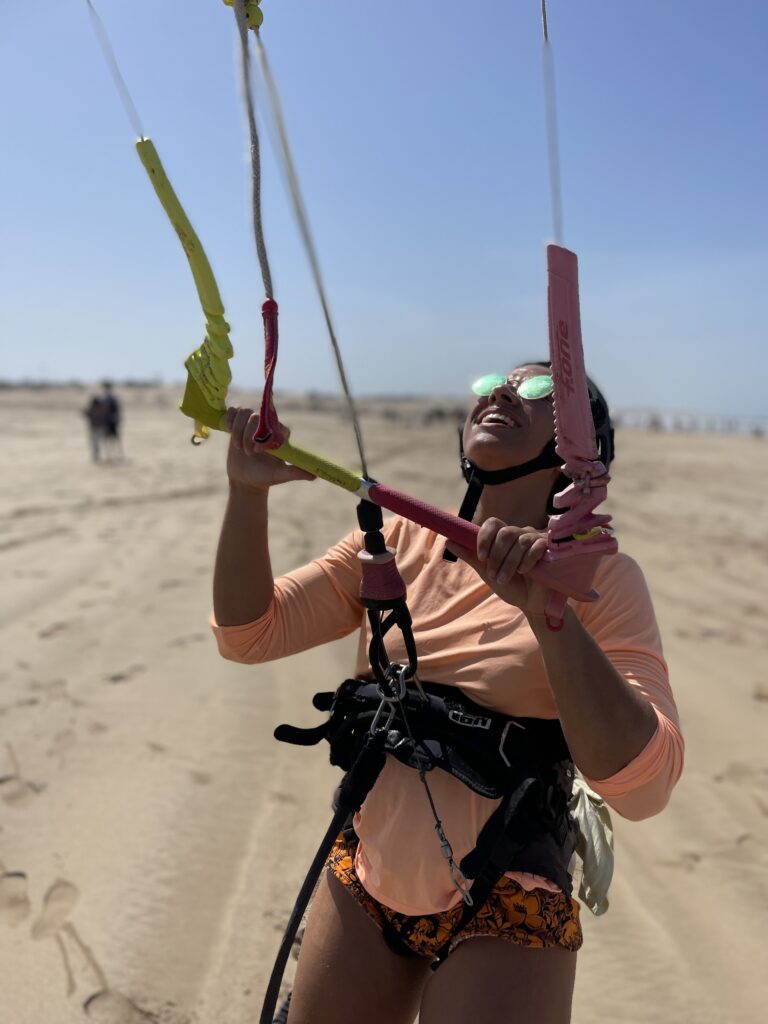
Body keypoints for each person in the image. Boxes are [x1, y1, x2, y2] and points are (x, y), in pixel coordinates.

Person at [211, 363, 684, 1024]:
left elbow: (644, 785)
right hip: (370, 872)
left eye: (538, 390)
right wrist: (245, 493)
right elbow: (247, 632)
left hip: (507, 897)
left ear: (581, 446)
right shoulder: (396, 539)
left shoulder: (602, 580)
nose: (499, 394)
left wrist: (553, 619)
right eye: (492, 382)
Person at [82, 393, 107, 462]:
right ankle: (97, 454)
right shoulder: (101, 409)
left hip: (94, 428)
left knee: (94, 442)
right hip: (100, 428)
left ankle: (96, 455)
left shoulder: (92, 409)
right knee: (98, 442)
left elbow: (85, 414)